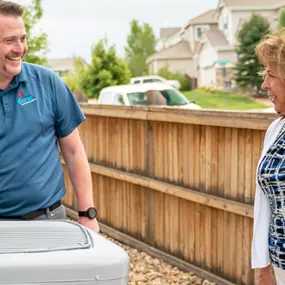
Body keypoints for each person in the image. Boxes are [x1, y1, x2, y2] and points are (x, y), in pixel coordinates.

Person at [0, 1, 99, 233]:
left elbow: (74, 151)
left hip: (47, 220)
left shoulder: (48, 83)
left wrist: (87, 213)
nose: (20, 48)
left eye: (22, 39)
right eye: (9, 41)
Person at [252, 29, 285, 284]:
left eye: (271, 75)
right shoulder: (276, 130)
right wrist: (264, 268)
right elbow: (264, 204)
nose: (265, 84)